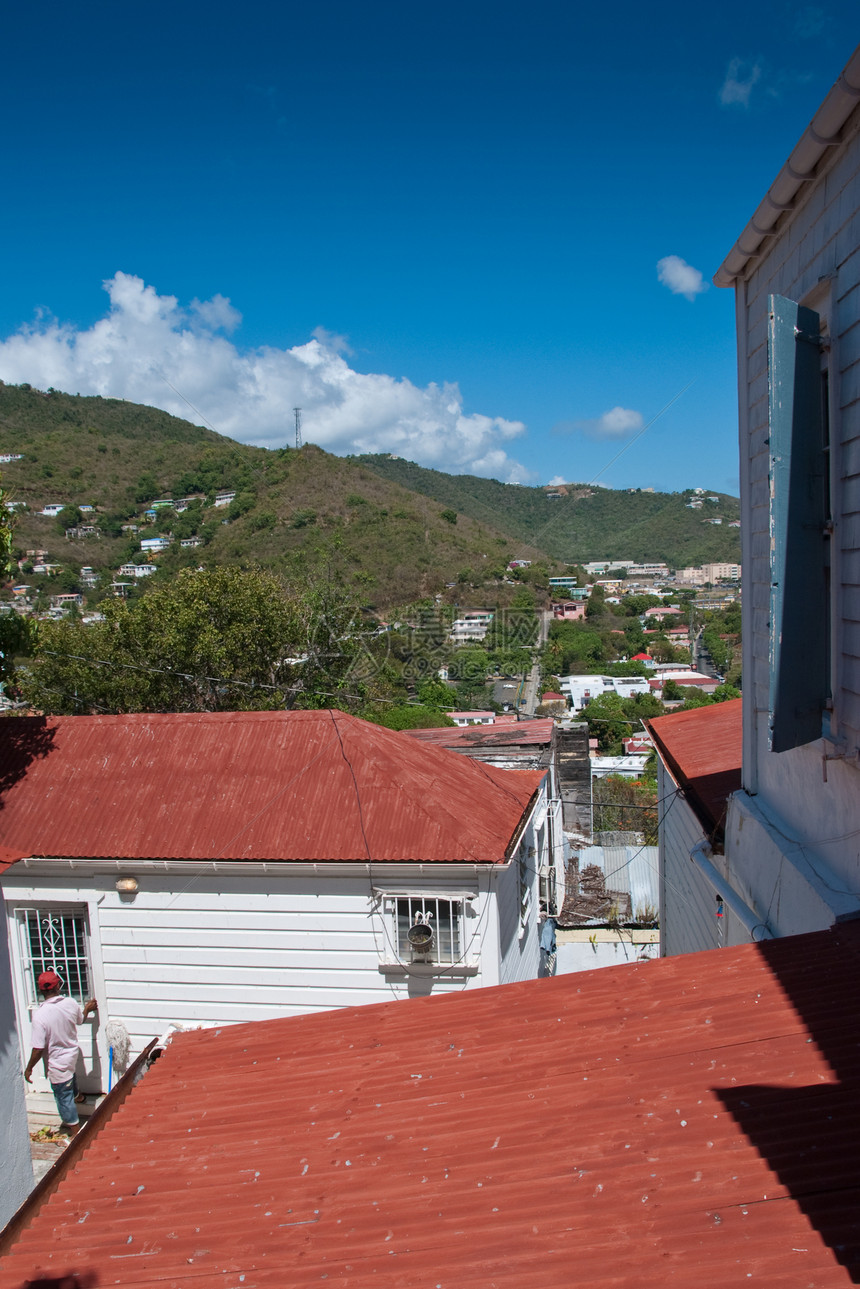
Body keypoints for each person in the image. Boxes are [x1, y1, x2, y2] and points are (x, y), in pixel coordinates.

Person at [24, 970, 98, 1137]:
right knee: (69, 1078)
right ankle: (78, 1096)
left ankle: (75, 1134)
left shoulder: (40, 1016)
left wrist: (29, 1068)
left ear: (41, 991)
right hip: (72, 1055)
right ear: (57, 986)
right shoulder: (70, 1003)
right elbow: (80, 1020)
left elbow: (38, 1048)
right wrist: (87, 1009)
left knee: (63, 1099)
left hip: (57, 1063)